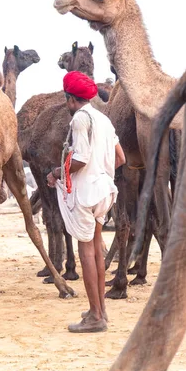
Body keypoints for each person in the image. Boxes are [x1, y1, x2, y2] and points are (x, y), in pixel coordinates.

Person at [47, 71, 125, 333]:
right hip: (104, 191)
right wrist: (101, 172)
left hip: (86, 195)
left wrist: (57, 172)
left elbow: (79, 159)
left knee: (87, 252)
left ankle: (95, 316)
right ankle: (100, 310)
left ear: (70, 99)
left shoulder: (81, 118)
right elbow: (121, 158)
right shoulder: (103, 119)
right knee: (96, 250)